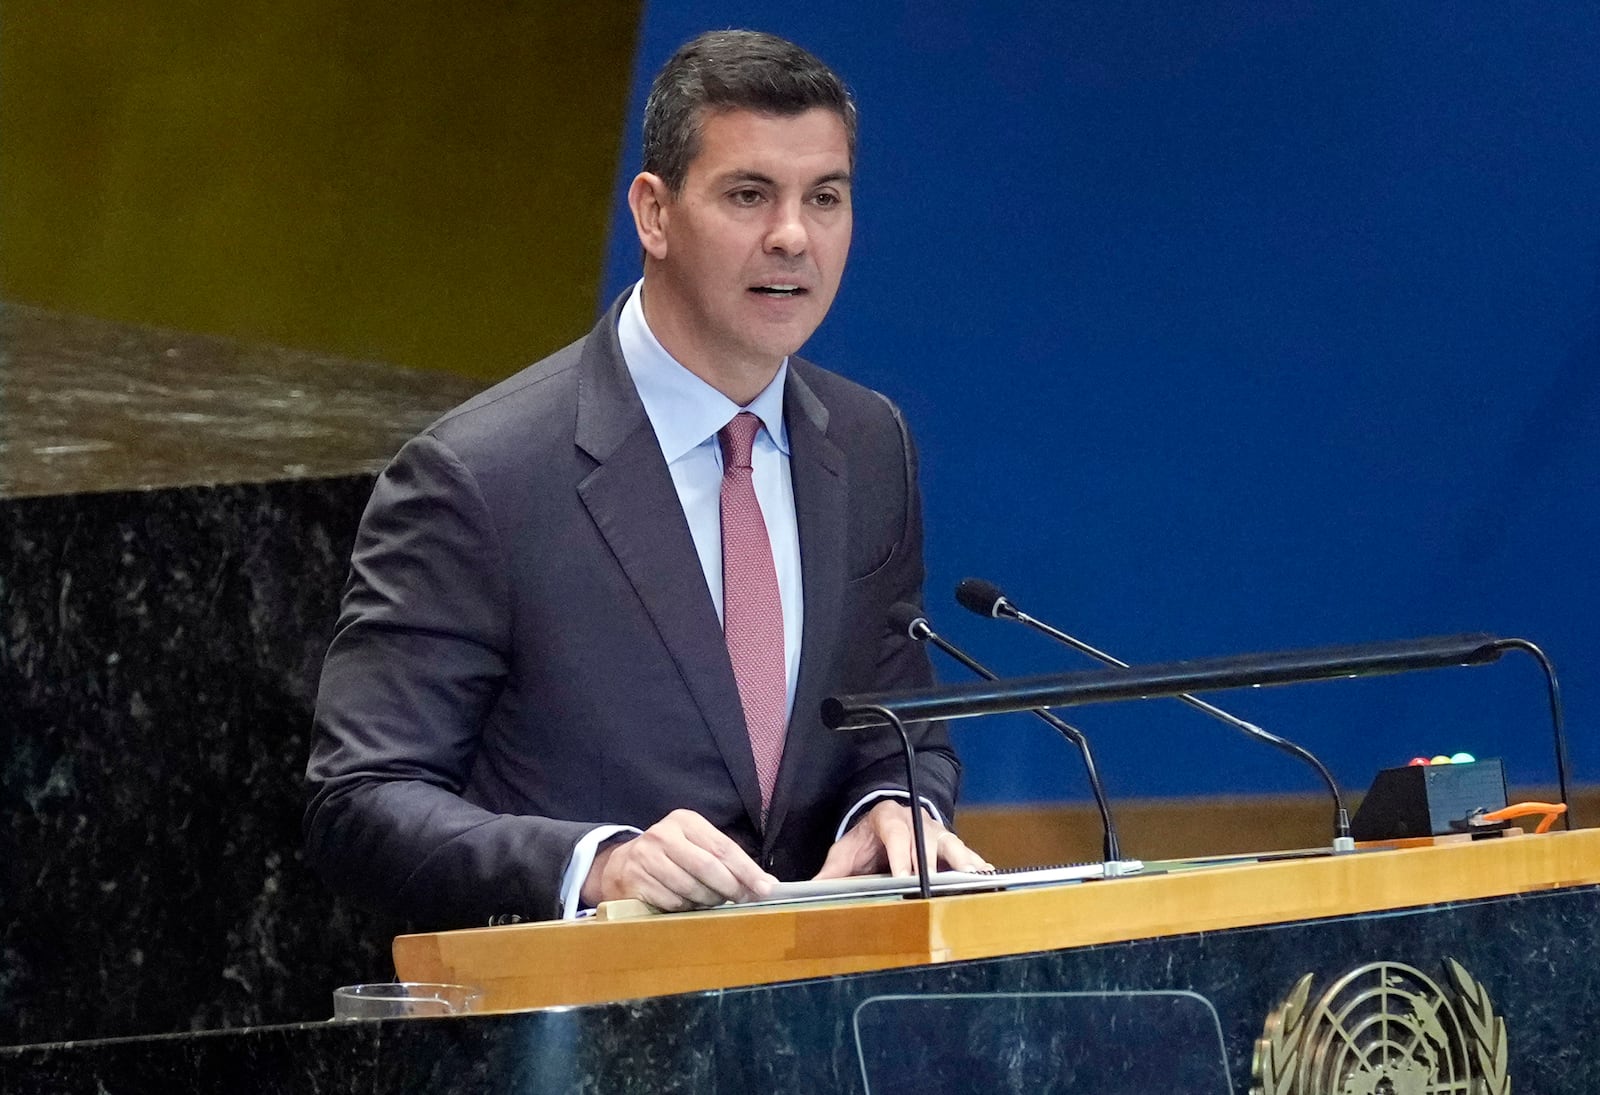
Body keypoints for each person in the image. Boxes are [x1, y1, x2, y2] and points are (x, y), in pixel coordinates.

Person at [304, 29, 987, 930]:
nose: (793, 236)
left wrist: (895, 802)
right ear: (654, 214)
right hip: (579, 1030)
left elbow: (901, 726)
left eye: (825, 197)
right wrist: (598, 864)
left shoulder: (868, 443)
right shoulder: (479, 477)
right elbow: (359, 802)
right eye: (749, 195)